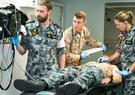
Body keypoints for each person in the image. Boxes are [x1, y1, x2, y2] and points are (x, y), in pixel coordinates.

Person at [10, 0, 65, 80]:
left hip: (51, 77)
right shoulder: (28, 28)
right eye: (37, 11)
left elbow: (61, 53)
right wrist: (16, 43)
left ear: (49, 12)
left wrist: (62, 72)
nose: (38, 14)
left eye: (41, 11)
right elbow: (22, 51)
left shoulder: (58, 31)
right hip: (33, 75)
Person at [14, 61, 122, 95]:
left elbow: (119, 78)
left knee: (88, 75)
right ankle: (42, 84)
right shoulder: (94, 61)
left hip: (97, 71)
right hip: (80, 68)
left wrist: (110, 79)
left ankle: (74, 87)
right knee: (62, 72)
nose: (105, 59)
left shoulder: (111, 66)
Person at [98, 11, 135, 95]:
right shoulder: (122, 35)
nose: (117, 27)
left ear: (125, 23)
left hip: (132, 74)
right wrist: (107, 59)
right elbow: (118, 52)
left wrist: (130, 70)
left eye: (118, 24)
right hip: (124, 72)